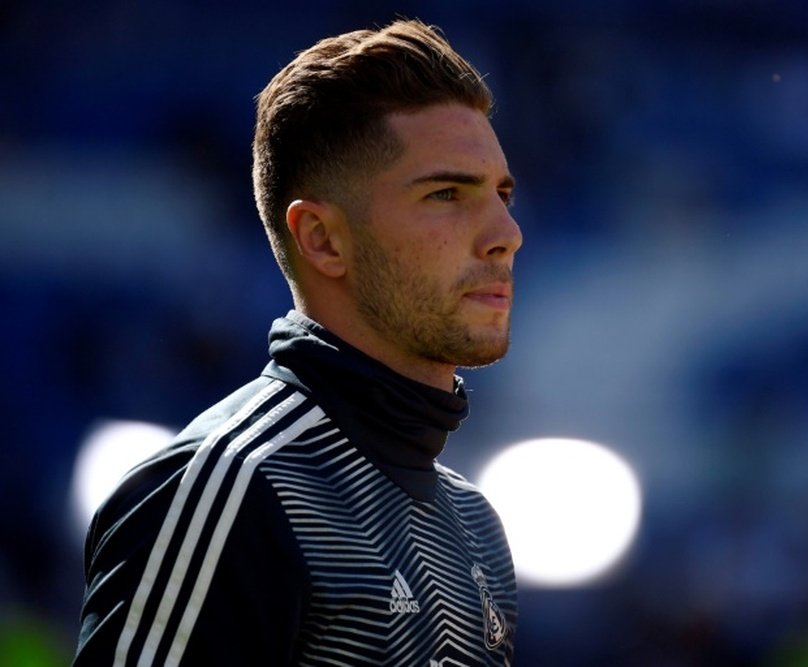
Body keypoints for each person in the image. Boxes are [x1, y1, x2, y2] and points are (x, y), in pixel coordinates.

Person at [73, 19, 521, 666]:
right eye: (447, 193)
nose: (506, 233)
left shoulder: (474, 522)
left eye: (503, 195)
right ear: (322, 239)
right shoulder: (231, 488)